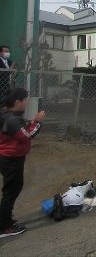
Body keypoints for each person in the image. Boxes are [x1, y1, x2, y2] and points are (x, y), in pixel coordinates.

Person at [0, 87, 44, 238]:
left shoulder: (7, 114)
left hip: (9, 157)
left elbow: (22, 130)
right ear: (17, 102)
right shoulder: (12, 119)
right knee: (11, 191)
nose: (26, 103)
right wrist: (37, 123)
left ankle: (6, 220)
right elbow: (26, 136)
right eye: (25, 100)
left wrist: (30, 123)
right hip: (11, 158)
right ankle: (4, 226)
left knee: (13, 188)